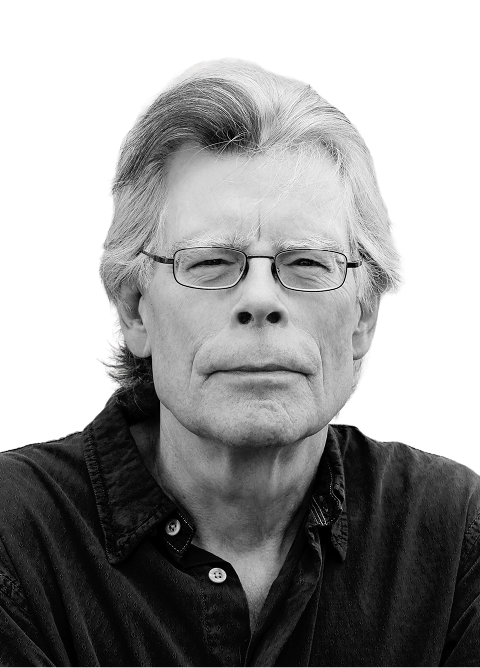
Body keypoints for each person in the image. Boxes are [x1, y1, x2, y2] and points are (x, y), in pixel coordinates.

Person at [1, 57, 478, 668]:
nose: (260, 300)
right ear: (133, 310)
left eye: (307, 263)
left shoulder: (456, 532)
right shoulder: (15, 534)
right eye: (210, 263)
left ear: (363, 321)